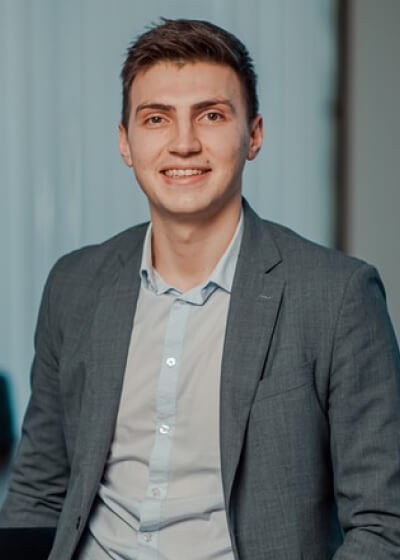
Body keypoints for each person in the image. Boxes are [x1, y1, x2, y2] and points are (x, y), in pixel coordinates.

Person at [1, 17, 400, 560]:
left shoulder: (338, 297)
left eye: (211, 115)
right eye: (156, 119)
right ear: (125, 142)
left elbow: (382, 523)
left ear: (253, 135)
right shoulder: (73, 286)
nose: (184, 144)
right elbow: (37, 492)